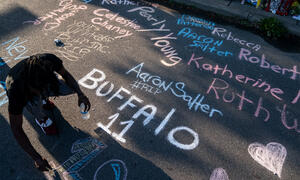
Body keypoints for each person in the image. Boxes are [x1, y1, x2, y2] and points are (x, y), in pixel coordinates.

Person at [5, 53, 91, 171]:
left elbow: (65, 74)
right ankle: (41, 118)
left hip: (41, 83)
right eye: (39, 89)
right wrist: (36, 158)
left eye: (43, 88)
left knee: (71, 87)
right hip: (25, 91)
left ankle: (44, 98)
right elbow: (16, 128)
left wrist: (81, 94)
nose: (41, 91)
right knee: (34, 100)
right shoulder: (16, 91)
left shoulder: (48, 61)